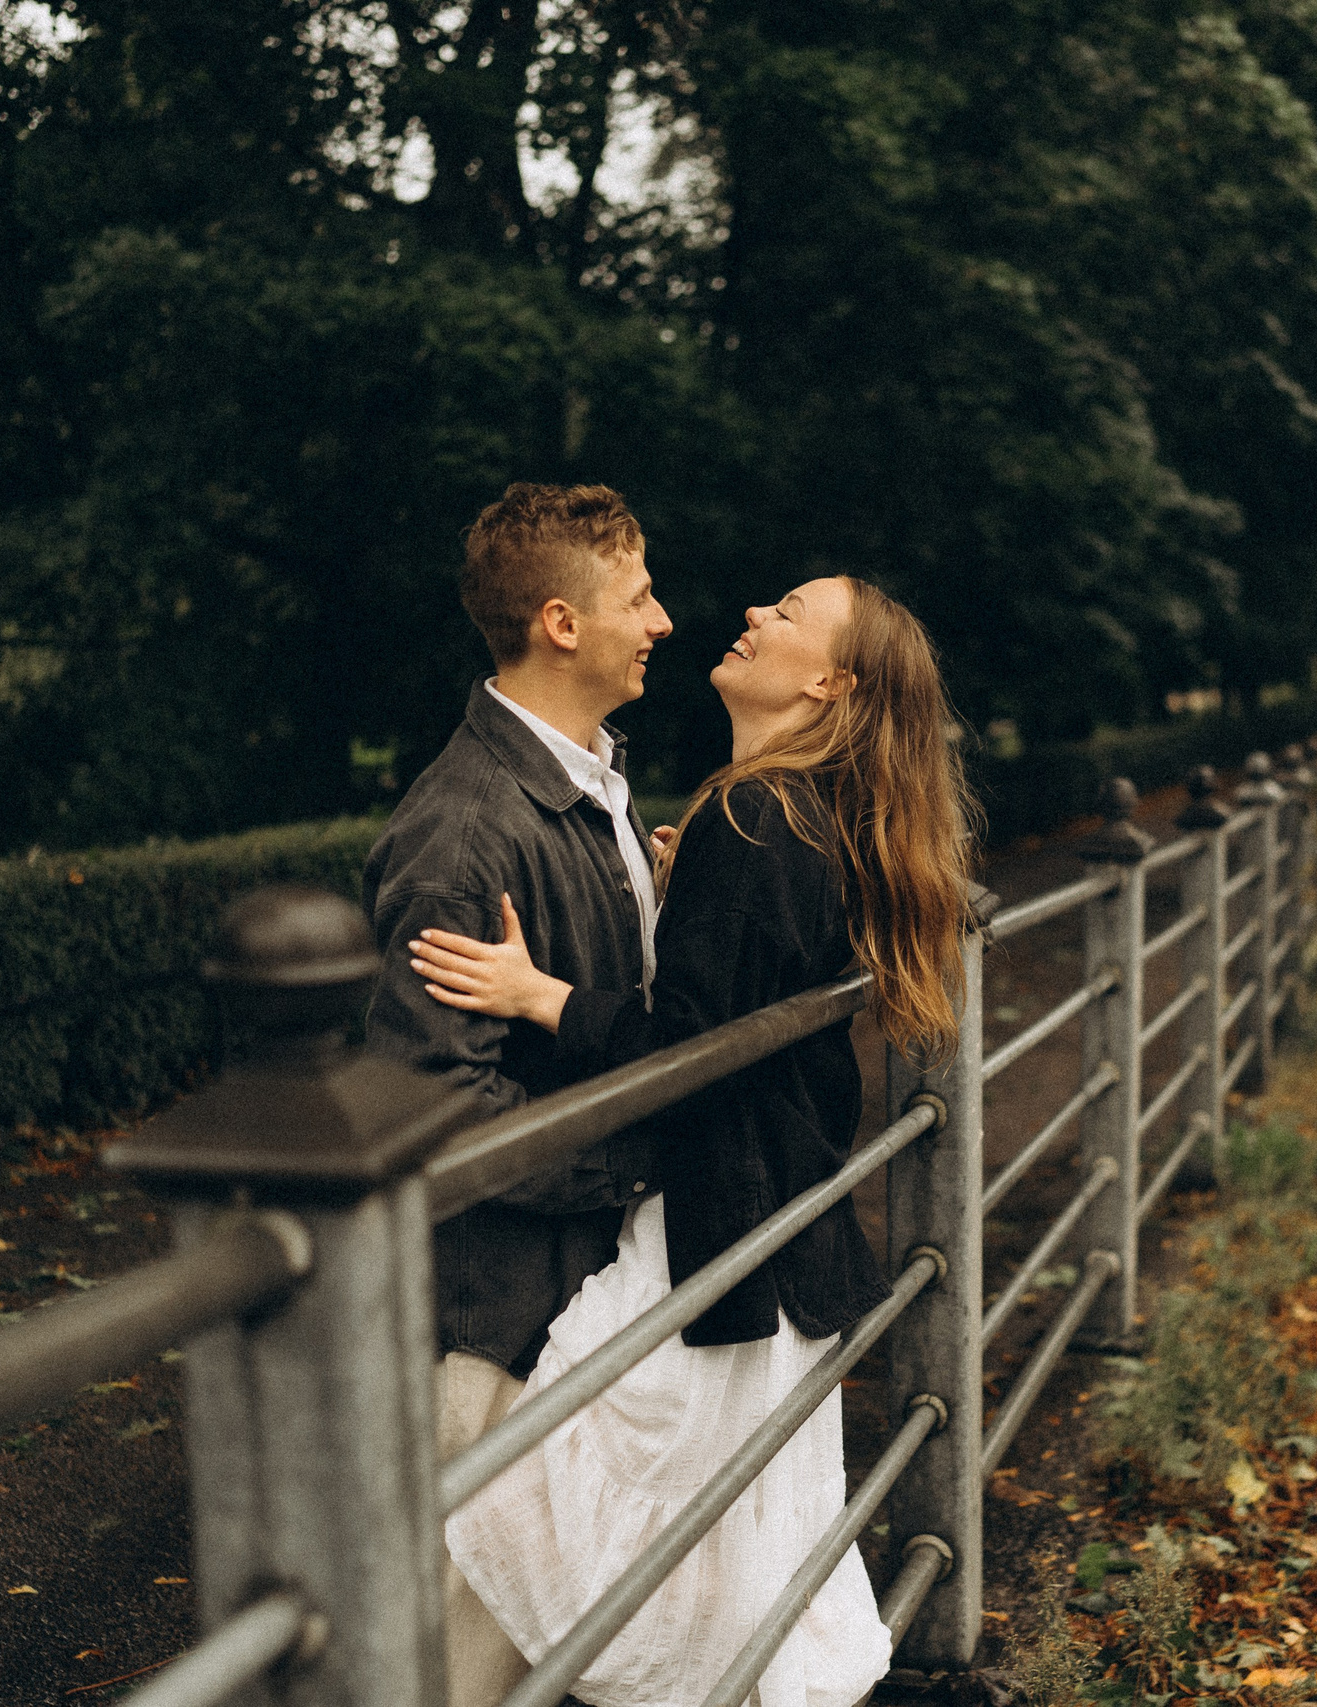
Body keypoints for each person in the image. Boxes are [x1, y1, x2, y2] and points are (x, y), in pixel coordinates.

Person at [407, 576, 973, 1707]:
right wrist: (689, 904)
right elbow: (757, 985)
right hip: (775, 1222)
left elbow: (693, 1047)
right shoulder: (792, 809)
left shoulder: (757, 813)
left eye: (789, 614)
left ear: (827, 681)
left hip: (725, 1233)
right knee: (722, 1514)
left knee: (528, 1484)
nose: (753, 614)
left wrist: (539, 996)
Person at [360, 481, 674, 1707]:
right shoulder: (463, 834)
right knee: (464, 1657)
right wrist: (644, 1162)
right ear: (560, 621)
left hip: (585, 1285)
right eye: (638, 595)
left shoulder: (599, 786)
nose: (661, 620)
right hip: (498, 1317)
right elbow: (438, 1110)